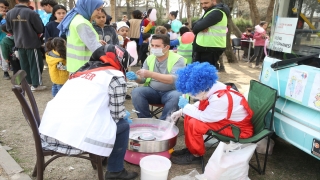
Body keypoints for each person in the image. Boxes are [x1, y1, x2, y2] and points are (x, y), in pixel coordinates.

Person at [38, 44, 138, 180]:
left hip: (49, 130)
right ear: (121, 60)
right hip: (72, 139)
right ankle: (115, 171)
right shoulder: (115, 76)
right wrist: (124, 115)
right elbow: (117, 114)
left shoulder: (82, 70)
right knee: (123, 126)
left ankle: (102, 156)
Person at [170, 62, 254, 165]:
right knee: (190, 117)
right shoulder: (210, 86)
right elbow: (202, 104)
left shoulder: (220, 99)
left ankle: (196, 155)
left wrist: (186, 107)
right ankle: (191, 149)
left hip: (238, 129)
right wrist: (182, 111)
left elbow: (205, 117)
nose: (191, 95)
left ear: (201, 88)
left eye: (192, 92)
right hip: (224, 120)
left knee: (194, 123)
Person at [127, 34, 186, 120]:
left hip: (171, 92)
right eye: (152, 45)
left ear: (167, 47)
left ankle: (163, 124)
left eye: (157, 46)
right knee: (136, 91)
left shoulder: (178, 59)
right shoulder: (150, 58)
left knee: (177, 96)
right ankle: (146, 121)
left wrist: (151, 74)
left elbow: (173, 80)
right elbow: (143, 79)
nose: (154, 48)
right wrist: (136, 78)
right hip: (152, 91)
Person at [6, 0, 46, 91]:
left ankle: (28, 83)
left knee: (24, 64)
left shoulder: (9, 13)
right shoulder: (32, 13)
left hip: (19, 43)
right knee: (35, 64)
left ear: (16, 1)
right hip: (32, 42)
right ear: (28, 1)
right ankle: (36, 85)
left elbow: (9, 29)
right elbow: (40, 29)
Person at [57, 0, 106, 73]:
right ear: (88, 7)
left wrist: (96, 42)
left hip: (76, 67)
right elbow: (95, 48)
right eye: (97, 9)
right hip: (84, 68)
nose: (99, 12)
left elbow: (79, 41)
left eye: (101, 9)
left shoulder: (75, 19)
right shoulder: (82, 23)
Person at [192, 0, 230, 69]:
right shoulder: (210, 11)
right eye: (202, 4)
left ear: (214, 1)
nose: (203, 6)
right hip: (206, 47)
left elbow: (196, 28)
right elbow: (194, 25)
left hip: (210, 48)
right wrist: (199, 26)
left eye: (206, 3)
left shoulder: (217, 12)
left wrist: (199, 26)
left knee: (205, 75)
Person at [0, 0, 9, 79]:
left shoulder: (8, 15)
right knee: (3, 56)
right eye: (1, 7)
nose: (3, 9)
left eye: (5, 8)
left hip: (9, 39)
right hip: (1, 40)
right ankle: (5, 71)